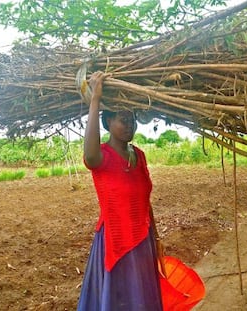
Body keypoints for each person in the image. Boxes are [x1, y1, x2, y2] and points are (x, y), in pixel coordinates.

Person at [77, 71, 164, 310]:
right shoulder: (101, 157)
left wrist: (155, 238)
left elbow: (145, 202)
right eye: (122, 119)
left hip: (142, 240)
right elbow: (89, 153)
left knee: (141, 299)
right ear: (107, 123)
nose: (129, 124)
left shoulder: (140, 156)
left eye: (132, 119)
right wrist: (95, 98)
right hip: (115, 239)